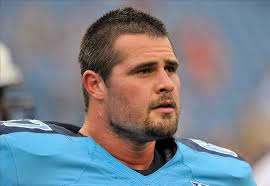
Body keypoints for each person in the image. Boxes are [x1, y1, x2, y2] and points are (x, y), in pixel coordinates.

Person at [0, 7, 256, 186]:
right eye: (144, 71)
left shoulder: (226, 174)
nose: (166, 84)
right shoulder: (17, 154)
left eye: (170, 69)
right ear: (95, 84)